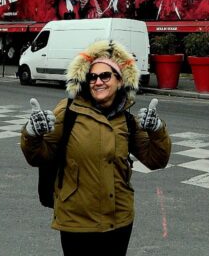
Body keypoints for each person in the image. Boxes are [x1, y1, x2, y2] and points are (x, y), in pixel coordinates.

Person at [21, 40, 172, 256]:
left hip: (119, 219)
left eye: (105, 76)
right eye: (92, 76)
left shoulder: (126, 120)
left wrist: (157, 130)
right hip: (77, 221)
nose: (97, 82)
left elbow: (156, 160)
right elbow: (38, 156)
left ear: (120, 81)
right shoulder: (69, 111)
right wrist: (32, 133)